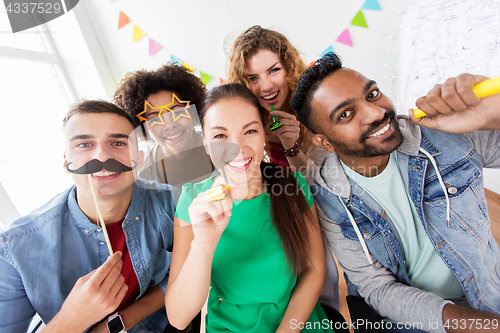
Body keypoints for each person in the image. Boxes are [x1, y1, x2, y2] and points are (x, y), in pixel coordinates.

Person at [291, 52, 500, 332]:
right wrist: (481, 326)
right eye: (346, 114)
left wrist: (492, 114)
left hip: (489, 299)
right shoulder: (329, 197)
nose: (376, 113)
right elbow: (377, 288)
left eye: (373, 94)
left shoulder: (443, 132)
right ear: (323, 141)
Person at [165, 83, 336, 332]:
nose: (237, 148)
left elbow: (313, 270)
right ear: (205, 142)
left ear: (264, 134)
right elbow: (178, 317)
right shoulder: (192, 202)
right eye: (220, 136)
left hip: (297, 322)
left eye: (250, 131)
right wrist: (204, 243)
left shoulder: (293, 186)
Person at [0, 101, 176, 332]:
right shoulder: (15, 247)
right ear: (66, 161)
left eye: (117, 142)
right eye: (84, 144)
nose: (102, 156)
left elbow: (182, 273)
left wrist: (115, 324)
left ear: (140, 158)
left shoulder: (169, 201)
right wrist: (73, 319)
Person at [227, 25, 328, 184]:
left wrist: (290, 146)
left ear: (289, 69)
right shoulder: (242, 121)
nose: (266, 86)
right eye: (253, 78)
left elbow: (319, 184)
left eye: (274, 71)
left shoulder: (315, 110)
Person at [114, 64, 213, 189]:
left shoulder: (220, 146)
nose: (170, 125)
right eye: (155, 119)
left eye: (177, 112)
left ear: (193, 114)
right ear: (143, 127)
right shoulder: (144, 176)